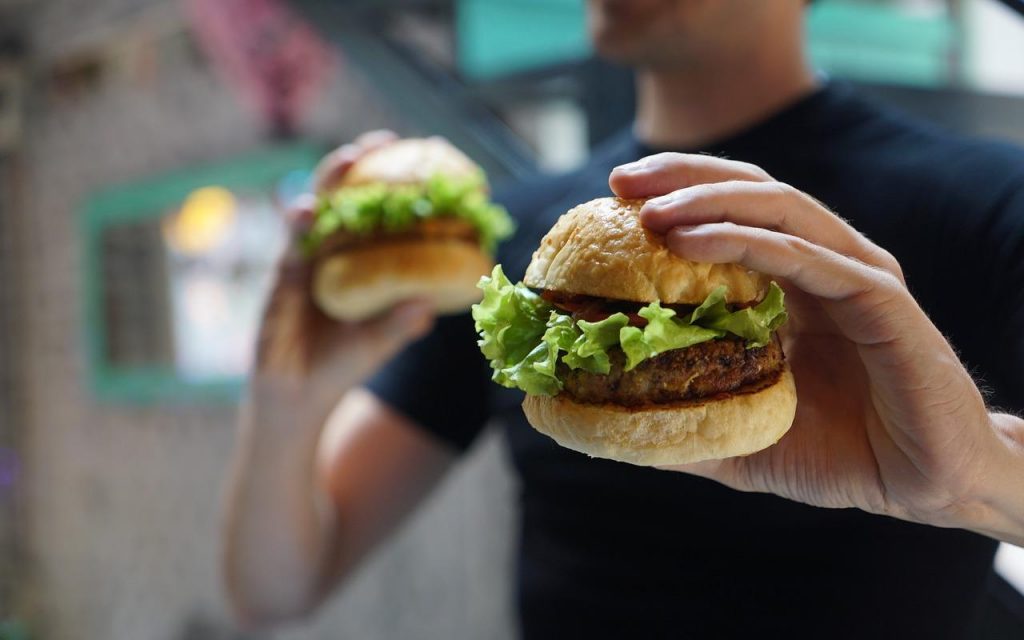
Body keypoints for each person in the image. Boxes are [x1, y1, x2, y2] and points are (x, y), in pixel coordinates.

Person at [222, 1, 1024, 637]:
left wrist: (976, 478)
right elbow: (278, 587)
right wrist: (285, 403)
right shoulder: (518, 242)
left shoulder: (992, 200)